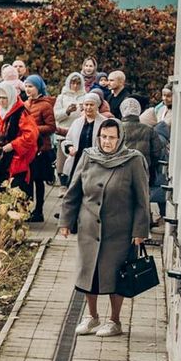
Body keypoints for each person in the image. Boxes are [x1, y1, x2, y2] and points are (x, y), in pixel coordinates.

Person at [60, 117, 153, 338]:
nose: (107, 142)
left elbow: (142, 199)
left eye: (112, 138)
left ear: (120, 139)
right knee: (88, 273)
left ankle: (115, 321)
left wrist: (140, 231)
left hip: (119, 230)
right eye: (103, 137)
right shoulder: (89, 156)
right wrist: (66, 221)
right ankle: (91, 317)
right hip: (89, 228)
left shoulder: (132, 160)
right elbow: (74, 191)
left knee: (115, 276)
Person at [0, 80, 36, 193]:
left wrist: (13, 145)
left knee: (13, 195)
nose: (1, 100)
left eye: (4, 97)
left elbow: (31, 135)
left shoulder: (21, 112)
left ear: (10, 96)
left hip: (14, 161)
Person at [22, 75, 57, 222]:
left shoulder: (45, 105)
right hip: (27, 147)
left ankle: (39, 211)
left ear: (38, 88)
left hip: (41, 148)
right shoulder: (25, 103)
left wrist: (34, 129)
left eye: (31, 86)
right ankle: (27, 209)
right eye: (27, 86)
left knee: (39, 180)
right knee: (28, 180)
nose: (28, 89)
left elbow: (51, 127)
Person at [60, 92, 105, 186]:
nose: (88, 108)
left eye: (91, 105)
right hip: (77, 163)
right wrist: (70, 147)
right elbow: (68, 139)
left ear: (97, 106)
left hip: (95, 164)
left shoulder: (104, 123)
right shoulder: (77, 122)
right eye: (86, 104)